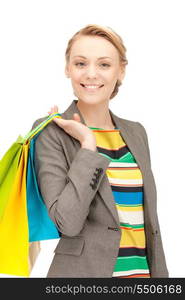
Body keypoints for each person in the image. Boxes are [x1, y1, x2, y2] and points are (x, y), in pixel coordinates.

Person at [31, 24, 169, 278]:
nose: (91, 74)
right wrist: (87, 145)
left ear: (121, 71)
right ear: (67, 68)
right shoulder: (49, 131)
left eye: (104, 64)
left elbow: (148, 222)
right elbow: (67, 223)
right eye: (81, 63)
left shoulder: (137, 132)